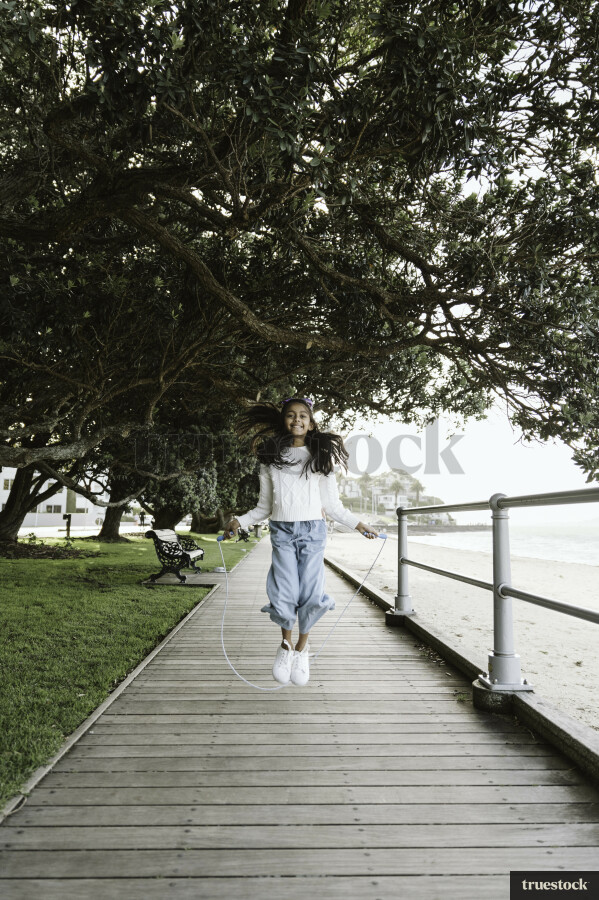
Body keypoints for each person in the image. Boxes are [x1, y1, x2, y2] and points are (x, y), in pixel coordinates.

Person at [223, 397, 377, 687]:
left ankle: (302, 650)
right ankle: (285, 647)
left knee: (311, 593)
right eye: (291, 415)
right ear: (284, 420)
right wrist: (239, 521)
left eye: (303, 415)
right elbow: (264, 507)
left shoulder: (320, 458)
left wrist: (358, 525)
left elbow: (332, 506)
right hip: (281, 531)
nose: (297, 420)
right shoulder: (271, 459)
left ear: (311, 421)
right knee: (284, 591)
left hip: (313, 531)